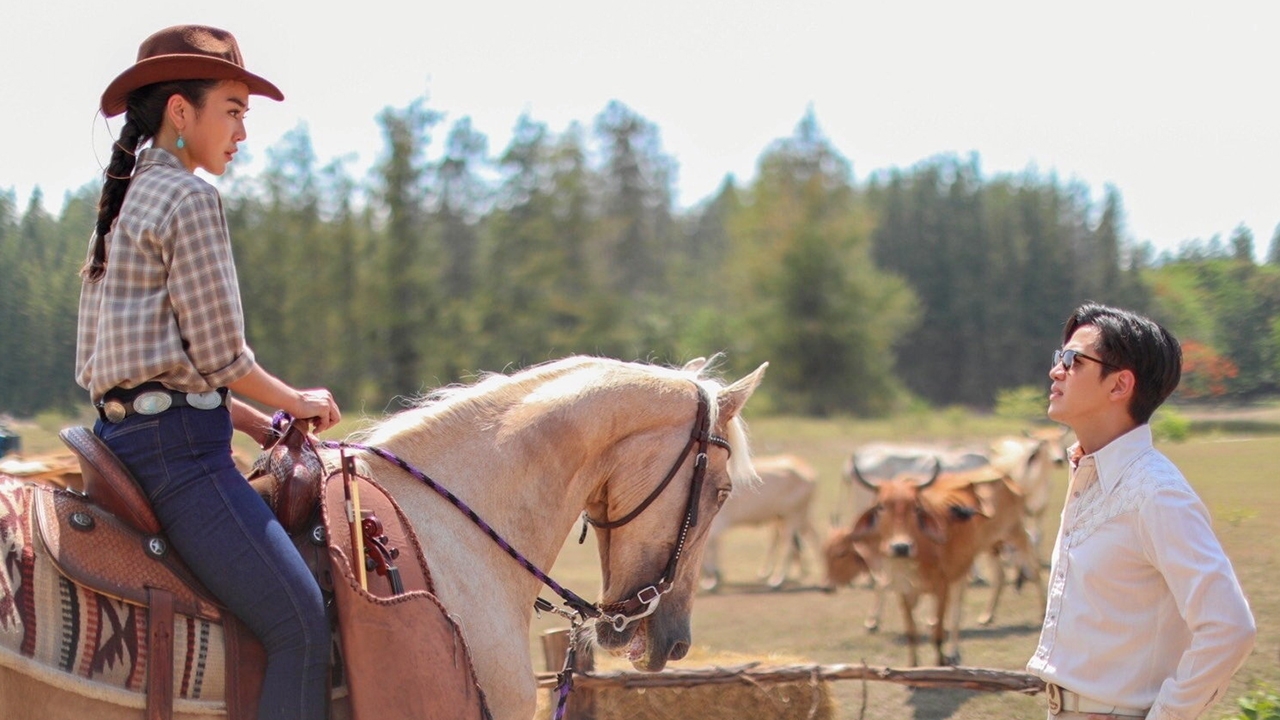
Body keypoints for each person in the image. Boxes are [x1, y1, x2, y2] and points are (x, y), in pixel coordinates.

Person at [76, 25, 339, 719]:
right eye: (233, 109)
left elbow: (130, 363)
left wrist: (246, 416)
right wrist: (297, 401)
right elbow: (223, 357)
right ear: (180, 112)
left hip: (123, 440)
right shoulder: (191, 200)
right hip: (178, 461)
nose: (242, 133)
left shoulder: (121, 201)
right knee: (301, 627)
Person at [1027, 303, 1256, 720]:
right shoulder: (1089, 472)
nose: (1056, 371)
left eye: (1073, 360)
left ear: (1119, 385)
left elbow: (1230, 628)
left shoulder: (1156, 493)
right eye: (1059, 358)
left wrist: (1167, 715)